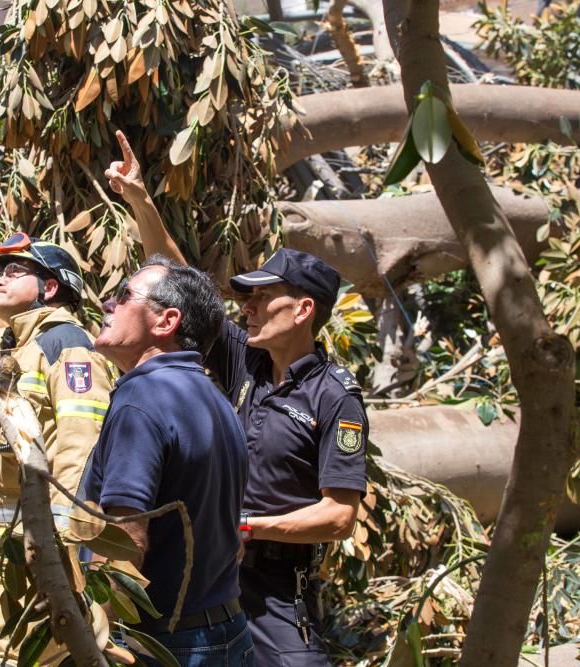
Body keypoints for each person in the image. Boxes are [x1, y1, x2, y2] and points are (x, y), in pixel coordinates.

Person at [105, 130, 369, 667]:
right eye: (245, 298)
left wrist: (247, 527)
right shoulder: (240, 358)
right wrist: (140, 198)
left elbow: (339, 516)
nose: (246, 308)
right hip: (205, 574)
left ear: (302, 311)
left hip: (274, 583)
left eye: (262, 298)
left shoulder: (334, 397)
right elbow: (179, 284)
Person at [81, 256, 254, 666]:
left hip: (165, 645)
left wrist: (97, 644)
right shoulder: (217, 401)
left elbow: (127, 539)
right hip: (228, 631)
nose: (108, 304)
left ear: (166, 321)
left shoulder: (141, 398)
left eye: (124, 296)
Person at [0, 232, 113, 667]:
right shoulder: (12, 353)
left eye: (14, 270)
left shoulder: (67, 346)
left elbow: (82, 451)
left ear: (52, 287)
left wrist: (57, 554)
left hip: (31, 569)